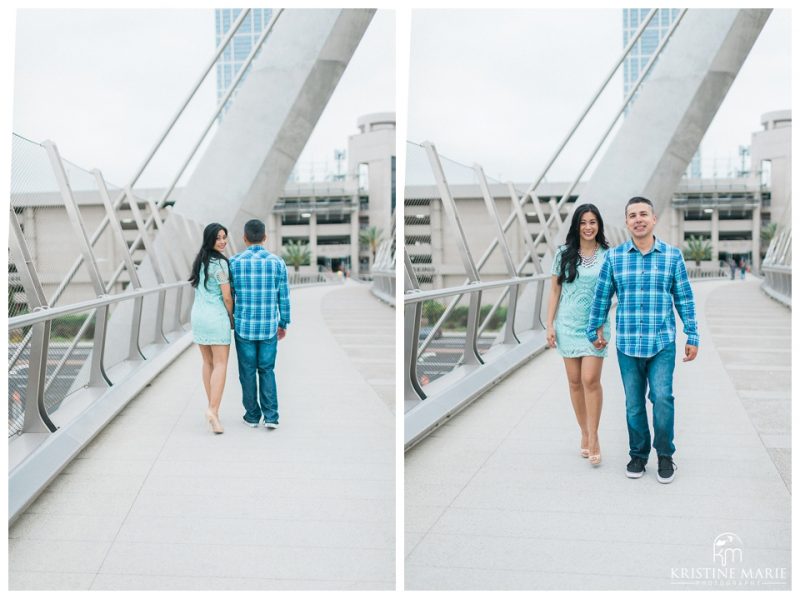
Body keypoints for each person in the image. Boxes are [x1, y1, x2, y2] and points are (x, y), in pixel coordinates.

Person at [587, 197, 698, 484]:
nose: (638, 219)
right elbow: (601, 297)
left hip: (662, 341)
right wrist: (594, 329)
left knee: (662, 399)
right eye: (632, 215)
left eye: (643, 214)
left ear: (653, 218)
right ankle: (638, 454)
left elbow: (684, 298)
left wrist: (692, 333)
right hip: (628, 343)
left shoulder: (672, 256)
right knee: (633, 404)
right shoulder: (615, 257)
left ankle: (664, 455)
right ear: (627, 222)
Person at [546, 203, 610, 466]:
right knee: (574, 382)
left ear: (599, 225)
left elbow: (610, 293)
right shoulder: (563, 254)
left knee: (590, 379)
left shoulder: (608, 255)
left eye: (593, 222)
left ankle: (594, 436)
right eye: (583, 222)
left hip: (595, 327)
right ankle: (583, 432)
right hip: (568, 326)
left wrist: (601, 324)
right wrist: (549, 325)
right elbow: (554, 292)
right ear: (576, 225)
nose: (588, 227)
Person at [229, 219, 291, 429]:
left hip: (244, 327)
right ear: (265, 238)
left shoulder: (234, 263)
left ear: (244, 238)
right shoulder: (277, 262)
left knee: (246, 371)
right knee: (267, 369)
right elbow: (284, 297)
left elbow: (229, 297)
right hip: (268, 327)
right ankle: (271, 416)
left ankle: (253, 416)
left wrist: (231, 321)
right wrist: (283, 323)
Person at [189, 223, 234, 434]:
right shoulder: (221, 264)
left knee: (207, 362)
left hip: (198, 316)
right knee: (221, 363)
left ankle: (212, 408)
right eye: (218, 238)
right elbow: (226, 296)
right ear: (210, 239)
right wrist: (231, 317)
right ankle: (213, 410)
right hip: (215, 317)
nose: (223, 241)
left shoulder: (200, 261)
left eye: (224, 237)